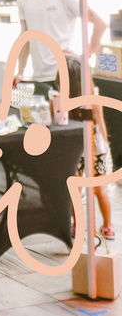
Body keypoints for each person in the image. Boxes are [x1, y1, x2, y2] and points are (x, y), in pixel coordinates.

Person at [15, 0, 107, 86]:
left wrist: (84, 57)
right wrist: (20, 71)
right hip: (38, 77)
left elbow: (100, 24)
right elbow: (24, 37)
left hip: (64, 75)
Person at [58, 55, 114, 240]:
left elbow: (100, 122)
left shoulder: (83, 97)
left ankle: (88, 224)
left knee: (82, 190)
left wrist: (104, 148)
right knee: (96, 190)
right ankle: (106, 225)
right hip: (89, 147)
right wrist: (106, 148)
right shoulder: (88, 95)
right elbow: (102, 123)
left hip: (87, 146)